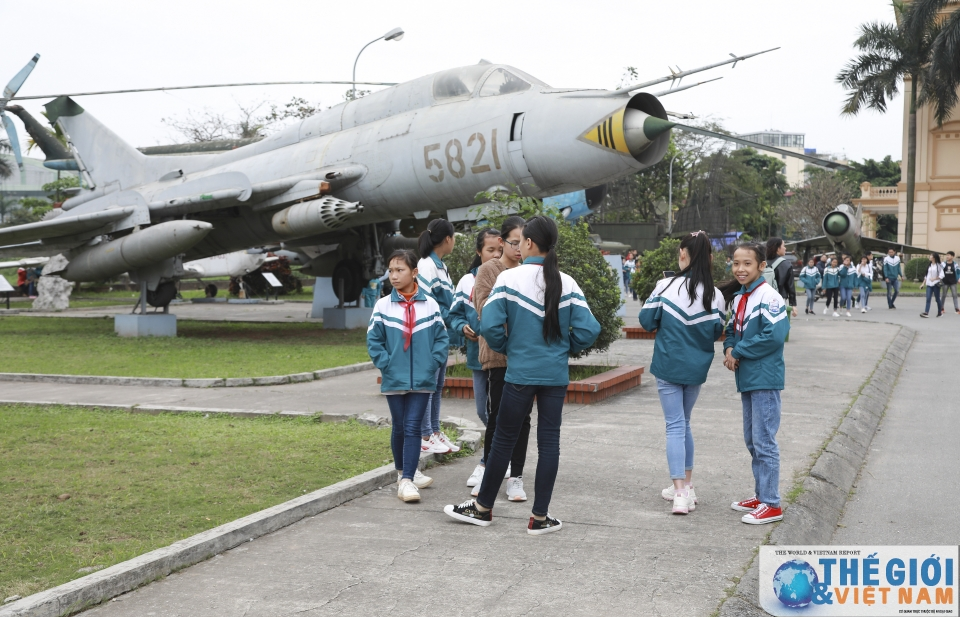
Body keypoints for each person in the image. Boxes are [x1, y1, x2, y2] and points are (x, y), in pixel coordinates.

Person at [444, 216, 601, 534]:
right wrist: (562, 348)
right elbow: (589, 330)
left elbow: (489, 326)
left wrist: (508, 346)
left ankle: (482, 508)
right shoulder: (566, 282)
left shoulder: (509, 280)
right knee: (549, 444)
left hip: (518, 373)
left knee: (503, 439)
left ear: (529, 243)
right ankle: (540, 518)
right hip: (554, 376)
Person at [639, 231, 726, 515]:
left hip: (668, 364)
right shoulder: (717, 295)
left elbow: (646, 321)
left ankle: (678, 492)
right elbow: (717, 332)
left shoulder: (665, 286)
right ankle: (687, 487)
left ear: (684, 255)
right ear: (709, 259)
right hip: (696, 367)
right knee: (684, 423)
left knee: (674, 425)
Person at [367, 250, 449, 503]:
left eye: (400, 270)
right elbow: (374, 340)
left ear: (414, 273)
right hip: (395, 377)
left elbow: (441, 340)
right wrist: (386, 365)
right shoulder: (382, 305)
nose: (393, 275)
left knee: (413, 426)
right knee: (400, 426)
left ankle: (407, 480)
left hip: (423, 379)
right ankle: (404, 472)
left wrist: (431, 365)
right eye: (391, 270)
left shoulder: (430, 304)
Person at [722, 243, 790, 525]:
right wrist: (728, 348)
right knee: (753, 440)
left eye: (747, 263)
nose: (740, 269)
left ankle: (772, 503)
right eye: (736, 263)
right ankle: (762, 495)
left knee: (764, 441)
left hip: (764, 377)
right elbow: (731, 330)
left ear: (762, 266)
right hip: (748, 378)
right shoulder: (741, 297)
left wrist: (738, 352)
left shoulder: (768, 296)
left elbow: (774, 337)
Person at [469, 216, 531, 499]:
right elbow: (485, 310)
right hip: (497, 355)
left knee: (523, 419)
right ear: (501, 242)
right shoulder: (488, 271)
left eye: (524, 243)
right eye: (514, 242)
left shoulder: (530, 270)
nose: (519, 249)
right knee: (496, 417)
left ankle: (515, 477)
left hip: (525, 356)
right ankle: (489, 472)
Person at [449, 227, 501, 483]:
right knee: (483, 410)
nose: (494, 255)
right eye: (489, 250)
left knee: (500, 410)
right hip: (478, 357)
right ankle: (503, 450)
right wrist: (461, 327)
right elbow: (454, 314)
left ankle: (491, 460)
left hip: (503, 357)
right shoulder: (466, 282)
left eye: (499, 250)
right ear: (479, 251)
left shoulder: (510, 277)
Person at [416, 218, 460, 455]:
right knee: (429, 385)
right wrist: (452, 317)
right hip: (430, 335)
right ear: (447, 239)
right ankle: (425, 434)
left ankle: (434, 431)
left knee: (438, 384)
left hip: (442, 335)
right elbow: (426, 301)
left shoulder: (441, 265)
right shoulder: (426, 265)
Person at [765, 238, 798, 318]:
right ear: (778, 248)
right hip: (779, 299)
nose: (785, 248)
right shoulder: (786, 264)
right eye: (784, 246)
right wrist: (793, 304)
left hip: (762, 298)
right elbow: (790, 286)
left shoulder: (762, 263)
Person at [919, 252, 945, 318]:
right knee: (928, 298)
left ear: (934, 257)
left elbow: (942, 275)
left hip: (936, 284)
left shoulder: (939, 266)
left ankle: (940, 312)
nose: (930, 257)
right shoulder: (929, 265)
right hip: (929, 284)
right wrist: (923, 284)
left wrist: (935, 278)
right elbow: (926, 276)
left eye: (931, 256)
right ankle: (926, 312)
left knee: (937, 299)